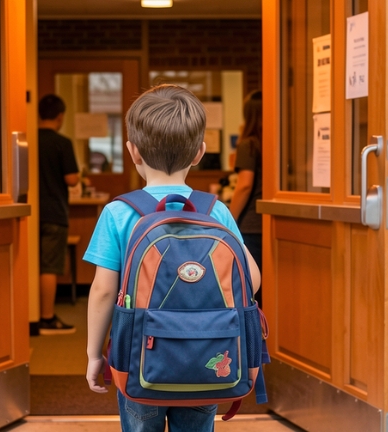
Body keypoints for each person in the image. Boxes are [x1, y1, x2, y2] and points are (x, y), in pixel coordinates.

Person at [82, 84, 261, 432]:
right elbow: (250, 279)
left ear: (133, 152)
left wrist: (94, 355)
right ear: (199, 152)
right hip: (208, 355)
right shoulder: (215, 211)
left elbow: (104, 291)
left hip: (138, 357)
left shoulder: (119, 213)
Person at [36, 94, 80, 335]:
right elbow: (71, 179)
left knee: (32, 266)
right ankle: (47, 317)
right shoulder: (62, 143)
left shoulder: (28, 140)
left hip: (31, 213)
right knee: (49, 267)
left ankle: (32, 313)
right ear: (60, 116)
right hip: (54, 212)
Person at [229, 90, 263, 305]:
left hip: (250, 226)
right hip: (267, 223)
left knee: (250, 290)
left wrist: (228, 219)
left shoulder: (249, 144)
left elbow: (244, 186)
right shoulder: (276, 143)